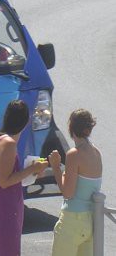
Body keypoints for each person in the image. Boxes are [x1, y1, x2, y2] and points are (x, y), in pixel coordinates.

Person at [0, 100, 49, 256]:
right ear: (25, 121)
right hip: (5, 207)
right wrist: (33, 168)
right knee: (5, 249)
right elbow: (4, 181)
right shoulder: (8, 144)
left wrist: (31, 170)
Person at [49, 109, 102, 256]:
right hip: (89, 221)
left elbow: (68, 193)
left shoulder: (74, 154)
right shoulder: (96, 153)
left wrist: (56, 167)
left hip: (72, 220)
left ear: (70, 128)